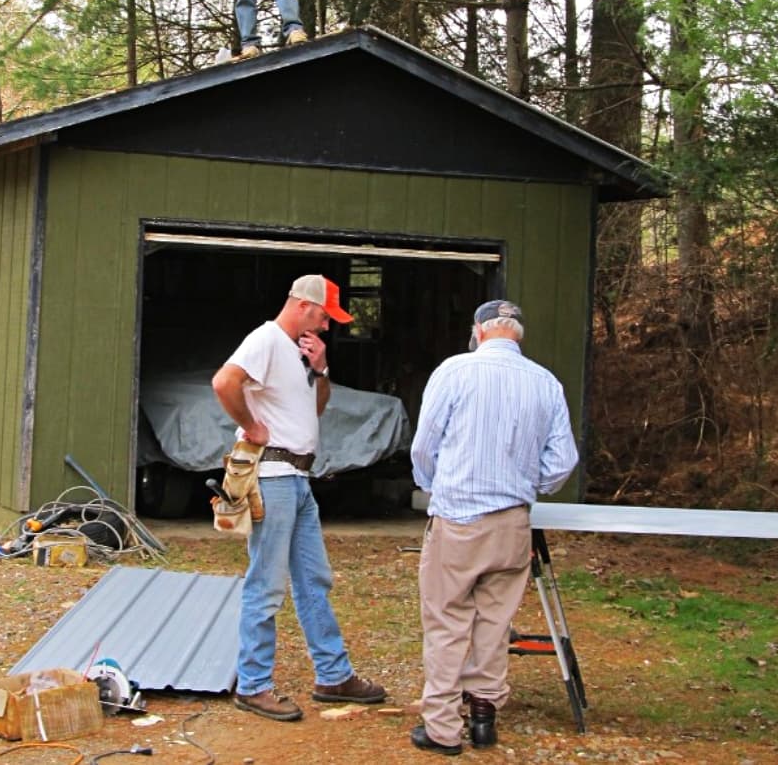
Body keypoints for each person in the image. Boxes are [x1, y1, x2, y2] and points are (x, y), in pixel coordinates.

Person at [211, 273, 386, 721]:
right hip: (272, 476)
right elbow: (224, 383)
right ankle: (253, 685)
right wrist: (251, 427)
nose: (328, 325)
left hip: (298, 478)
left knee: (313, 579)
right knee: (266, 582)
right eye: (326, 316)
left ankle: (333, 675)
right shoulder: (266, 339)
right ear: (305, 306)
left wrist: (322, 368)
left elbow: (316, 407)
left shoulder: (298, 351)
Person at [409, 300, 579, 756]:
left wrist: (433, 487)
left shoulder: (454, 371)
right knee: (493, 622)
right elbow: (563, 462)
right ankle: (484, 718)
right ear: (517, 335)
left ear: (478, 330)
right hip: (512, 524)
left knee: (447, 622)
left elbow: (424, 447)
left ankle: (443, 728)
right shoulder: (546, 383)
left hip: (459, 518)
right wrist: (524, 485)